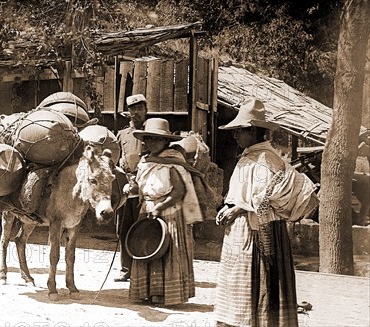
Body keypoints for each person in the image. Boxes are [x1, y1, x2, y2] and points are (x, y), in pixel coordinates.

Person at [214, 98, 318, 326]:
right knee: (237, 281)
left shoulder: (265, 160)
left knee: (258, 279)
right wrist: (228, 207)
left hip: (258, 231)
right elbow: (244, 193)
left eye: (239, 131)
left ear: (253, 131)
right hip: (240, 228)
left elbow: (263, 198)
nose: (235, 137)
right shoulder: (249, 157)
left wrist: (236, 210)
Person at [128, 118, 201, 306]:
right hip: (147, 211)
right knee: (146, 249)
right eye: (149, 139)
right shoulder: (144, 162)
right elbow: (140, 187)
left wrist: (159, 208)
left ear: (166, 142)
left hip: (169, 213)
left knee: (167, 251)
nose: (152, 143)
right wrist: (131, 188)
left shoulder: (173, 162)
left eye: (157, 139)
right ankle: (147, 291)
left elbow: (179, 191)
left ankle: (164, 294)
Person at [114, 94, 148, 282]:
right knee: (123, 228)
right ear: (128, 112)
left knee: (142, 228)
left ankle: (141, 268)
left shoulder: (151, 132)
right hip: (125, 188)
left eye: (140, 108)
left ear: (146, 110)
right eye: (132, 109)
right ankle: (126, 268)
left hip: (145, 187)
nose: (136, 112)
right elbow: (116, 159)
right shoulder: (122, 134)